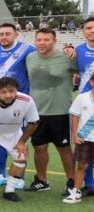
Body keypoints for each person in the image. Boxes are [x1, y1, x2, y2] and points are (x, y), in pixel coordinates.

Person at [25, 28, 78, 192]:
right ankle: (42, 180)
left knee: (64, 148)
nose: (42, 42)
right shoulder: (30, 57)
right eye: (39, 39)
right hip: (37, 111)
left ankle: (71, 182)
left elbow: (85, 72)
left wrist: (73, 50)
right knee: (39, 147)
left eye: (46, 39)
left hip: (60, 111)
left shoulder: (67, 57)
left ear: (55, 41)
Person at [0, 23, 36, 187]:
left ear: (16, 35)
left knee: (20, 139)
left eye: (8, 34)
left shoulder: (27, 49)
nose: (4, 37)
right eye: (1, 34)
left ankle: (19, 177)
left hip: (18, 103)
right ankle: (1, 174)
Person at [0, 77, 39, 202]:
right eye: (3, 92)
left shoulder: (26, 100)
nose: (8, 95)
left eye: (12, 91)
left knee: (21, 158)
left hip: (14, 134)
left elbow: (34, 122)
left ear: (16, 90)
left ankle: (9, 191)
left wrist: (22, 142)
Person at [65, 74, 94, 203]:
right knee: (82, 165)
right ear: (92, 82)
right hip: (84, 138)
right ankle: (76, 192)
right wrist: (75, 135)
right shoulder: (82, 98)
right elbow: (75, 116)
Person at [74, 17, 94, 194]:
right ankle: (89, 184)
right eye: (88, 28)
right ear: (83, 31)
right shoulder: (78, 50)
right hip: (86, 106)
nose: (92, 31)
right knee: (86, 146)